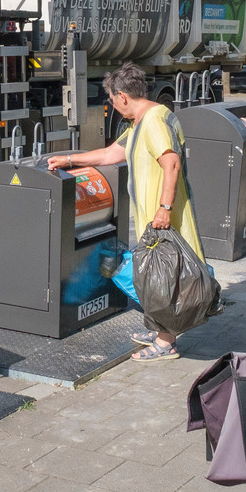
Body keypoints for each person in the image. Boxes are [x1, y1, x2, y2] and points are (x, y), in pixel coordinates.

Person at [48, 62, 205, 362]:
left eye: (111, 100)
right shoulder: (141, 123)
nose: (114, 106)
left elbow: (170, 163)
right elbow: (110, 154)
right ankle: (161, 330)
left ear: (122, 96)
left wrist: (164, 208)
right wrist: (68, 160)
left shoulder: (155, 121)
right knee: (156, 275)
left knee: (163, 278)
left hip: (163, 217)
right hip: (153, 217)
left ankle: (165, 343)